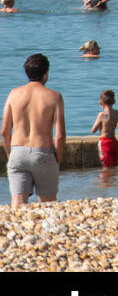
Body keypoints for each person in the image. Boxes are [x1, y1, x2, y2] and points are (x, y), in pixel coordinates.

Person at [2, 53, 66, 206]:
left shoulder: (13, 94)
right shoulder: (54, 97)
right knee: (48, 203)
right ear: (46, 73)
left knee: (18, 204)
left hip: (17, 151)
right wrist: (59, 157)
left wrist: (10, 154)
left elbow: (4, 132)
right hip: (42, 152)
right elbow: (60, 136)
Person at [91, 90, 118, 168]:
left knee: (106, 165)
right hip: (113, 142)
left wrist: (101, 124)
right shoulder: (116, 113)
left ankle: (105, 179)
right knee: (113, 164)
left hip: (104, 142)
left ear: (101, 103)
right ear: (113, 102)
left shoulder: (102, 115)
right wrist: (116, 123)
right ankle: (113, 179)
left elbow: (93, 130)